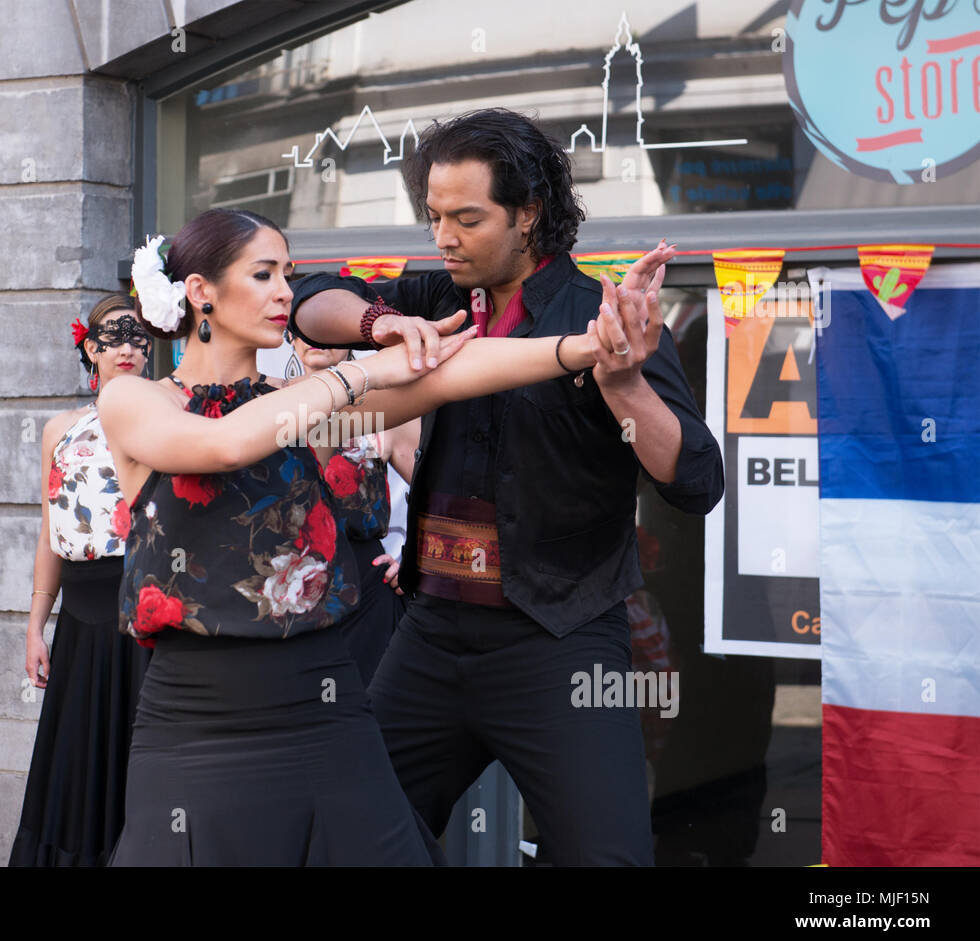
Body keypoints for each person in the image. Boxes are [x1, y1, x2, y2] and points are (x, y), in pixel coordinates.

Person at [96, 206, 648, 866]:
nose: (284, 294)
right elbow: (219, 445)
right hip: (200, 725)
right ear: (200, 293)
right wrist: (361, 370)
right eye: (265, 274)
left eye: (289, 275)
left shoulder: (305, 404)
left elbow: (456, 373)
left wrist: (591, 345)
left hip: (325, 709)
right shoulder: (137, 400)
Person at [287, 107, 724, 865]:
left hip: (561, 640)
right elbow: (310, 293)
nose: (443, 237)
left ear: (529, 215)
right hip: (430, 633)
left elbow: (695, 481)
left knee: (608, 858)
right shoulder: (432, 296)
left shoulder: (603, 316)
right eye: (433, 217)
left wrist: (623, 386)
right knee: (344, 838)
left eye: (466, 218)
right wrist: (377, 324)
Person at [9, 294, 153, 866]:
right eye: (112, 338)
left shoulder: (173, 414)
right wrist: (34, 625)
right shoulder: (60, 430)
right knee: (79, 761)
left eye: (137, 336)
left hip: (150, 610)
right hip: (83, 618)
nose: (126, 348)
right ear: (89, 349)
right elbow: (51, 531)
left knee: (142, 757)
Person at [287, 332, 418, 684]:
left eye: (326, 329)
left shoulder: (386, 410)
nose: (316, 338)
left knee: (367, 709)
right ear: (288, 336)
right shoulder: (269, 405)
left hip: (366, 586)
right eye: (305, 329)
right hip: (285, 584)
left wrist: (415, 558)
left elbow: (443, 489)